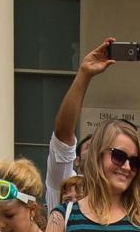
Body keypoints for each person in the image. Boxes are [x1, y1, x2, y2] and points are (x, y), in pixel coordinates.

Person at [45, 38, 115, 209]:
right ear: (76, 161)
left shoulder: (115, 197)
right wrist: (84, 74)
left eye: (101, 148)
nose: (95, 150)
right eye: (90, 146)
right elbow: (63, 135)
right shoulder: (65, 183)